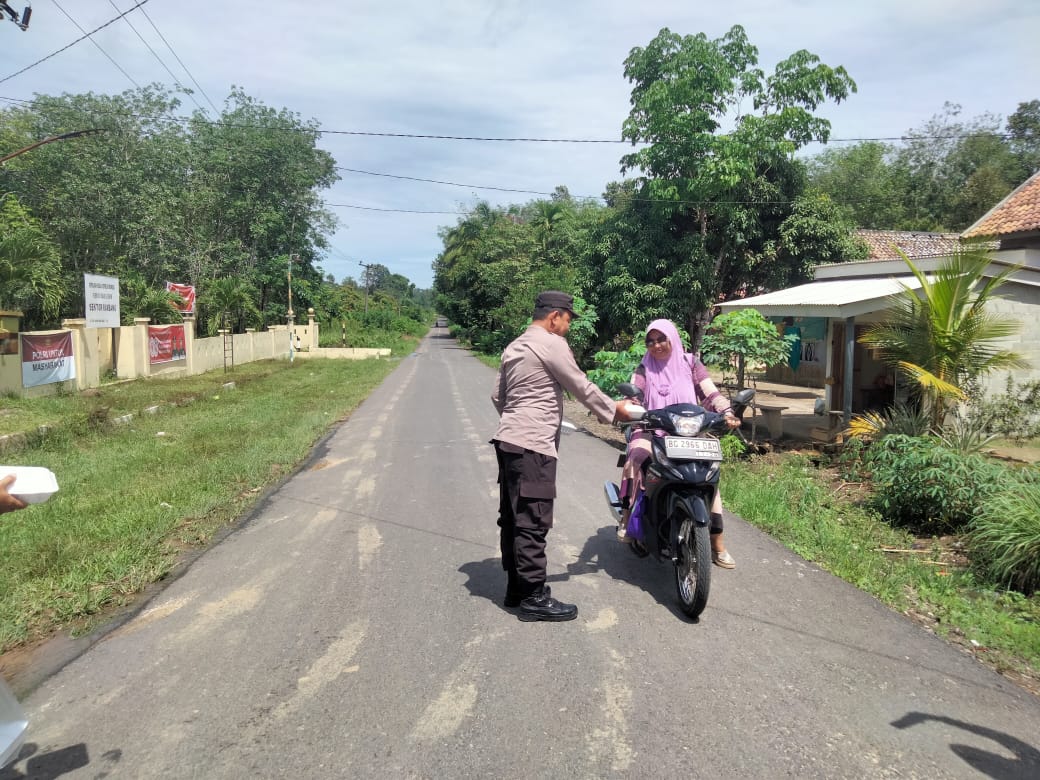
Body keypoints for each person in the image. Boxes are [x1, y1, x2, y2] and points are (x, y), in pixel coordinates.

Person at [491, 291, 636, 622]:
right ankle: (533, 597)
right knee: (532, 520)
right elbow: (580, 385)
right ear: (554, 317)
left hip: (507, 441)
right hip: (532, 446)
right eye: (568, 320)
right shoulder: (551, 343)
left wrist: (516, 419)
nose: (568, 327)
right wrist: (615, 411)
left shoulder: (514, 346)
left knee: (513, 518)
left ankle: (516, 588)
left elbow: (497, 395)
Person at [618, 319, 741, 568]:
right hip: (652, 429)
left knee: (710, 476)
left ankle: (717, 539)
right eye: (650, 341)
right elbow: (633, 395)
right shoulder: (645, 367)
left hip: (689, 432)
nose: (656, 345)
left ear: (672, 339)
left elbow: (710, 392)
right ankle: (628, 516)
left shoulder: (690, 362)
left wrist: (727, 413)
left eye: (661, 339)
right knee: (636, 456)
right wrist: (632, 408)